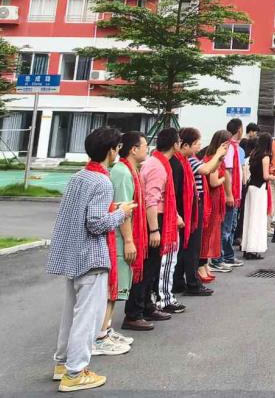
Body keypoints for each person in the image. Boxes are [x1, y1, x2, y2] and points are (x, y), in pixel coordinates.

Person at [47, 125, 133, 392]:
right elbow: (96, 224)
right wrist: (122, 213)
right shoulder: (102, 181)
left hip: (73, 255)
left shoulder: (80, 176)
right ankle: (75, 373)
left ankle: (63, 364)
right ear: (111, 151)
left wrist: (114, 209)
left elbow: (85, 214)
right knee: (88, 318)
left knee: (70, 316)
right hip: (92, 258)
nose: (119, 152)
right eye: (118, 148)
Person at [172, 127, 227, 297]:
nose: (199, 146)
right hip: (192, 205)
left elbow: (209, 168)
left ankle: (180, 281)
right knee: (192, 246)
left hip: (192, 204)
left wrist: (219, 157)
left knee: (187, 246)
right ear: (185, 145)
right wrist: (218, 155)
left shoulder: (186, 159)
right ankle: (192, 282)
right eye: (196, 143)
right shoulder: (187, 160)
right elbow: (205, 170)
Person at [140, 127, 185, 316]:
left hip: (160, 217)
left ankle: (148, 306)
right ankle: (143, 308)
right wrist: (154, 230)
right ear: (175, 144)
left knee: (154, 266)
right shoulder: (158, 166)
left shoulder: (159, 162)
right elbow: (152, 199)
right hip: (156, 219)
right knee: (151, 267)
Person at [111, 132, 151, 334]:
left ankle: (105, 332)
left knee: (117, 289)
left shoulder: (131, 170)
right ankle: (102, 333)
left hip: (126, 236)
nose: (147, 149)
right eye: (144, 146)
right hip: (119, 240)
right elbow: (124, 210)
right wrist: (128, 241)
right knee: (112, 291)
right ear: (133, 149)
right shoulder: (123, 172)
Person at [199, 130, 230, 278]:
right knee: (208, 233)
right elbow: (213, 181)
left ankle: (204, 263)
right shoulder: (213, 159)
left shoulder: (213, 158)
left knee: (210, 232)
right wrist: (224, 179)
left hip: (214, 198)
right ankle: (201, 264)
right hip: (212, 198)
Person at [240, 134, 274, 258]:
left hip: (251, 188)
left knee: (249, 218)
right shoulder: (265, 157)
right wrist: (273, 176)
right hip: (259, 189)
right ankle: (253, 248)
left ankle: (246, 247)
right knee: (257, 219)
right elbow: (265, 176)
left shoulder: (253, 155)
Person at [217, 117, 244, 269]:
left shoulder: (234, 147)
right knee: (226, 228)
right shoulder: (230, 147)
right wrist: (229, 194)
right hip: (231, 193)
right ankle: (221, 257)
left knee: (231, 226)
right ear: (239, 129)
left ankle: (227, 255)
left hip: (235, 193)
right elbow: (227, 171)